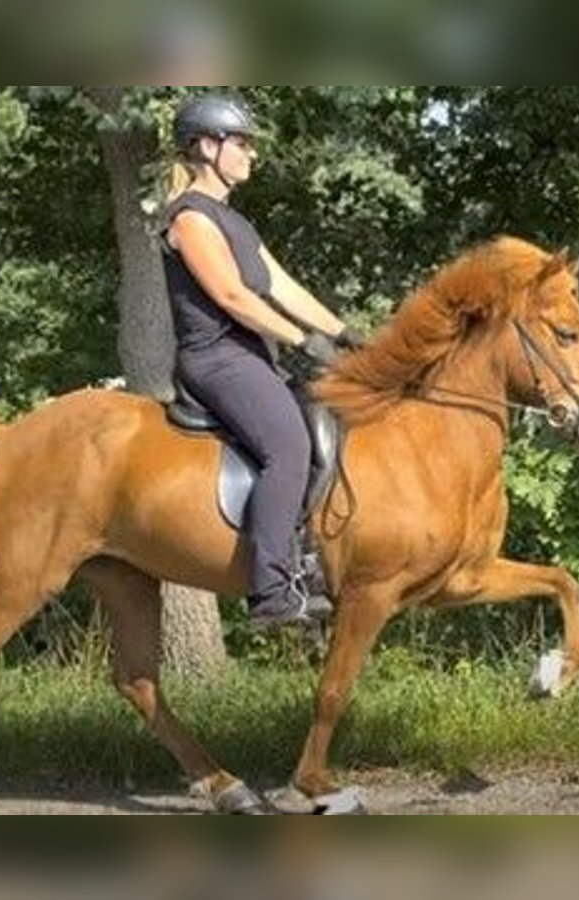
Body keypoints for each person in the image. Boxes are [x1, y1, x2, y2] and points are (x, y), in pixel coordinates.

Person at [160, 92, 364, 629]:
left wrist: (341, 333)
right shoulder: (190, 220)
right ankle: (273, 591)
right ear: (206, 147)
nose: (252, 154)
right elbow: (233, 297)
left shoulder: (233, 222)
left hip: (251, 356)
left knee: (327, 425)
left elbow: (280, 285)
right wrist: (301, 342)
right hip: (217, 358)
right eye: (242, 143)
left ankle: (310, 555)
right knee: (289, 444)